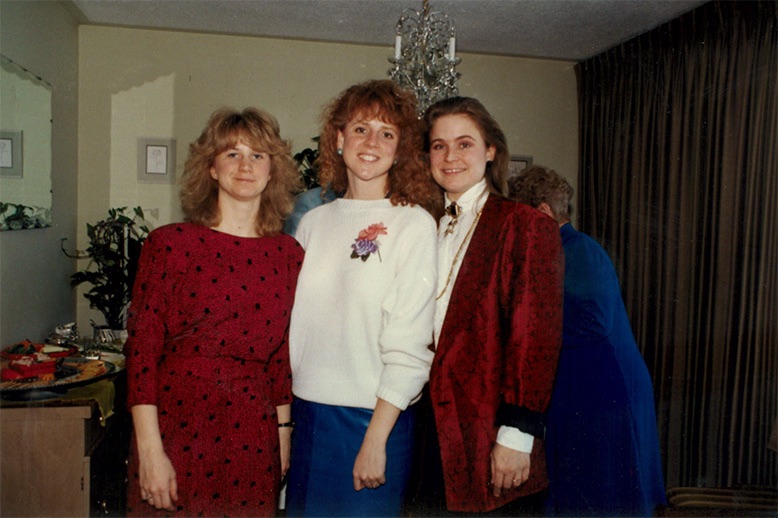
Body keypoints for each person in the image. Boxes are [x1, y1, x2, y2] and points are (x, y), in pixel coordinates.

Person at [124, 107, 304, 516]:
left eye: (258, 155)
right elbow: (142, 355)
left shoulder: (289, 255)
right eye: (232, 154)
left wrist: (283, 435)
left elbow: (282, 360)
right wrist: (151, 452)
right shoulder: (169, 244)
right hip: (175, 426)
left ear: (273, 169)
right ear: (211, 169)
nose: (245, 166)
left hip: (252, 434)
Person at [285, 79, 441, 517]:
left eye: (387, 133)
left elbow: (411, 346)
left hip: (373, 420)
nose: (371, 142)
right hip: (310, 416)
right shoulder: (312, 223)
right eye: (360, 129)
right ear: (338, 138)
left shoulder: (413, 225)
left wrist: (375, 441)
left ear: (401, 148)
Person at [419, 96, 564, 515]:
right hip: (428, 429)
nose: (450, 157)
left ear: (491, 151)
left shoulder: (526, 226)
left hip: (491, 430)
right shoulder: (421, 224)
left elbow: (535, 340)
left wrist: (518, 436)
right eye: (438, 145)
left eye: (465, 143)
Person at [509, 165, 667, 517]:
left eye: (521, 218)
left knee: (602, 495)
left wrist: (525, 336)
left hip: (606, 392)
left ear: (544, 213)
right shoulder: (558, 251)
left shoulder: (579, 250)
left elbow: (593, 323)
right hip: (591, 387)